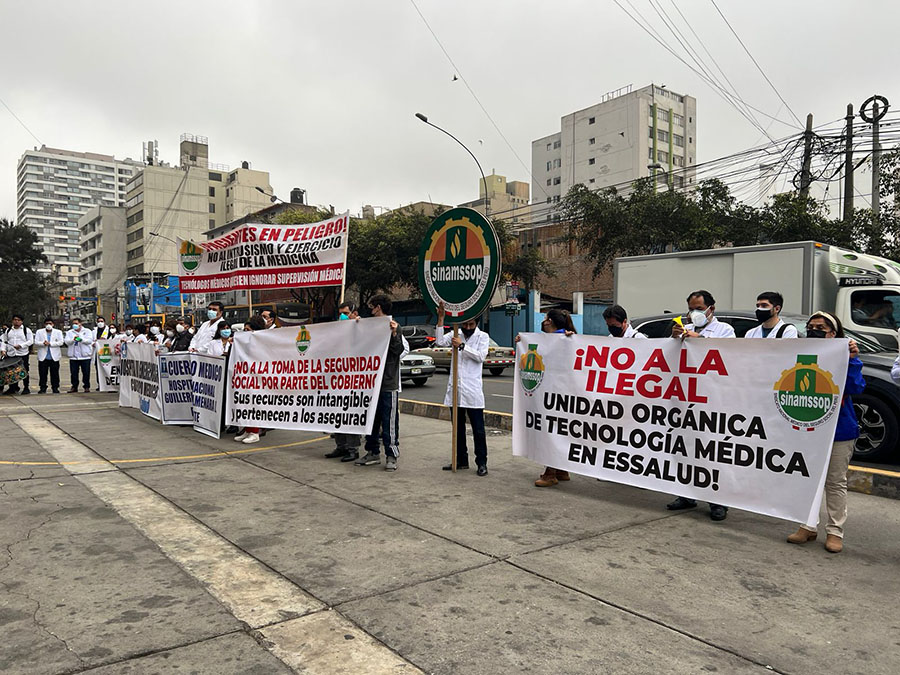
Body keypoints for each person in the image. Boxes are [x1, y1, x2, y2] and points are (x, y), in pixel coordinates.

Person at [786, 312, 865, 553]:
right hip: (808, 428)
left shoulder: (845, 356)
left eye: (821, 328)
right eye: (811, 327)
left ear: (834, 333)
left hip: (839, 429)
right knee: (807, 479)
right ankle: (808, 525)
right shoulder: (800, 355)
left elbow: (855, 387)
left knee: (835, 482)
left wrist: (852, 360)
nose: (814, 331)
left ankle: (835, 531)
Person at [668, 290, 735, 521]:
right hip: (686, 398)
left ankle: (718, 502)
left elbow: (729, 355)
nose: (694, 313)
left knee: (711, 452)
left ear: (711, 309)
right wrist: (674, 338)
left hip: (712, 400)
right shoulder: (685, 328)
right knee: (685, 449)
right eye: (691, 308)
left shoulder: (725, 330)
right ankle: (686, 495)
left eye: (698, 308)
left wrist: (700, 340)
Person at [435, 301, 491, 476]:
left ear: (476, 323)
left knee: (478, 430)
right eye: (465, 324)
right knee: (457, 429)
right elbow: (439, 342)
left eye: (471, 324)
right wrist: (441, 318)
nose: (467, 327)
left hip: (472, 390)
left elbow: (480, 356)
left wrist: (462, 346)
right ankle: (460, 460)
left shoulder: (482, 337)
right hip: (456, 390)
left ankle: (481, 462)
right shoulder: (455, 333)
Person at [355, 294, 406, 471]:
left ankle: (391, 454)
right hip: (371, 383)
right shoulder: (370, 326)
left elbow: (398, 350)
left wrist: (394, 334)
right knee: (371, 419)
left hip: (388, 383)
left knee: (389, 420)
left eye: (372, 307)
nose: (370, 310)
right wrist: (357, 326)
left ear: (378, 307)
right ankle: (372, 451)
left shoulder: (394, 326)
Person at [532, 309, 577, 487]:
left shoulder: (561, 339)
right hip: (563, 392)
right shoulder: (556, 339)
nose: (543, 321)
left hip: (555, 393)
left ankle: (550, 473)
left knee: (551, 432)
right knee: (559, 431)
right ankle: (561, 469)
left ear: (549, 321)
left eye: (545, 318)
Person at [234, 315, 268, 444]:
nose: (245, 332)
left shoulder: (262, 340)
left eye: (247, 330)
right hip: (246, 375)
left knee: (254, 404)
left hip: (257, 377)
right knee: (246, 403)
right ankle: (248, 430)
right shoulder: (246, 341)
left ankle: (255, 432)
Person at [2, 314, 34, 395]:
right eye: (15, 320)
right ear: (12, 321)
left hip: (22, 354)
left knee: (24, 370)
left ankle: (26, 388)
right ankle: (13, 388)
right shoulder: (8, 330)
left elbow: (30, 341)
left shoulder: (26, 330)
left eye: (18, 320)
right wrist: (3, 350)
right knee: (11, 372)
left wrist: (21, 345)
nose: (16, 321)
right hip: (11, 354)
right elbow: (4, 341)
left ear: (22, 321)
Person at [35, 317, 64, 394]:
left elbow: (61, 342)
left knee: (55, 373)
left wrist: (50, 343)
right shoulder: (39, 332)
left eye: (50, 323)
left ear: (53, 324)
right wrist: (43, 343)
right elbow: (36, 342)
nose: (48, 325)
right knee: (42, 373)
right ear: (44, 324)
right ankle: (43, 388)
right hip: (43, 357)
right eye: (47, 323)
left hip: (54, 356)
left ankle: (55, 387)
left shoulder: (58, 332)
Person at [65, 319, 94, 392]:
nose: (75, 325)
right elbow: (66, 342)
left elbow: (89, 341)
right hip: (74, 356)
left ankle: (86, 386)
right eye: (73, 323)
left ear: (80, 324)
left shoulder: (87, 331)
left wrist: (81, 339)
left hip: (85, 356)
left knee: (86, 373)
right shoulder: (70, 332)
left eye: (76, 323)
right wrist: (73, 339)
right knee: (74, 373)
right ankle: (74, 386)